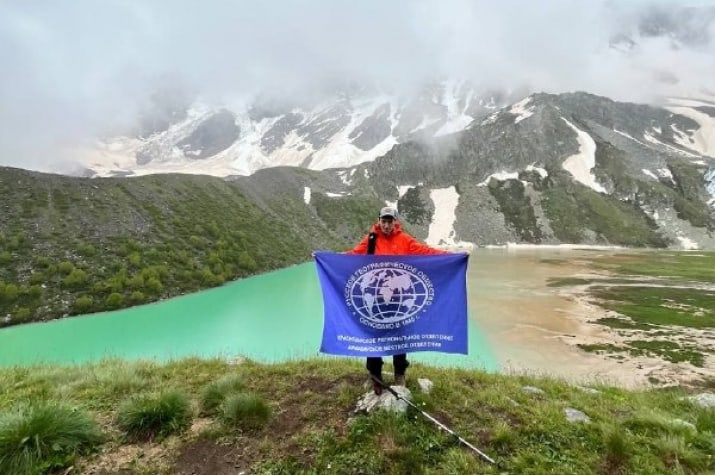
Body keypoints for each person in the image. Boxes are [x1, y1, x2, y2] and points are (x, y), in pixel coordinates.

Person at [346, 206, 449, 395]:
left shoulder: (405, 240)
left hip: (399, 300)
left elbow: (425, 252)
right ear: (379, 221)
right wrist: (325, 259)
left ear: (395, 222)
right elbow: (352, 256)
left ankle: (399, 374)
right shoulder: (370, 240)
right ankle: (375, 375)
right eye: (383, 221)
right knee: (373, 339)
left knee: (400, 338)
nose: (386, 225)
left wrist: (453, 256)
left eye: (389, 221)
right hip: (376, 300)